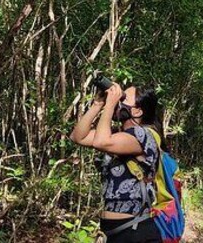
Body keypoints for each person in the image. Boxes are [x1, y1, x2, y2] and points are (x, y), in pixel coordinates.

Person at [70, 82, 163, 243]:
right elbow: (78, 137)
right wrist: (98, 104)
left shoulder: (145, 135)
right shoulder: (115, 135)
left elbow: (101, 142)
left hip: (136, 230)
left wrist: (111, 104)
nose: (119, 101)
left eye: (124, 98)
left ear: (137, 110)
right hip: (111, 230)